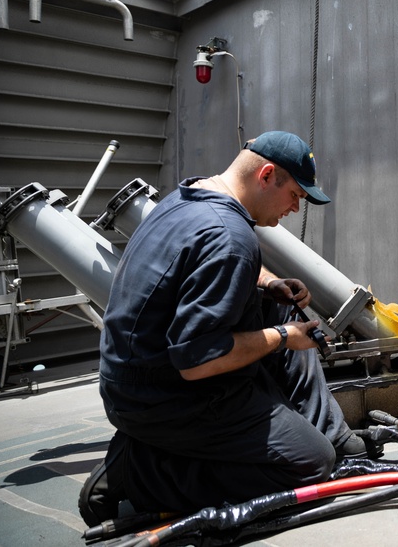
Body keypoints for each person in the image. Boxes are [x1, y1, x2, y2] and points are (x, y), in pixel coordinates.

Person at [80, 131, 368, 526]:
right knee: (308, 465)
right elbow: (198, 361)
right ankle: (138, 470)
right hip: (162, 398)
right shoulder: (231, 237)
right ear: (267, 175)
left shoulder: (190, 196)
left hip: (135, 376)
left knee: (282, 311)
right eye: (296, 196)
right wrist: (285, 339)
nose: (295, 209)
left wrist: (269, 283)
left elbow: (202, 268)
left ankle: (331, 435)